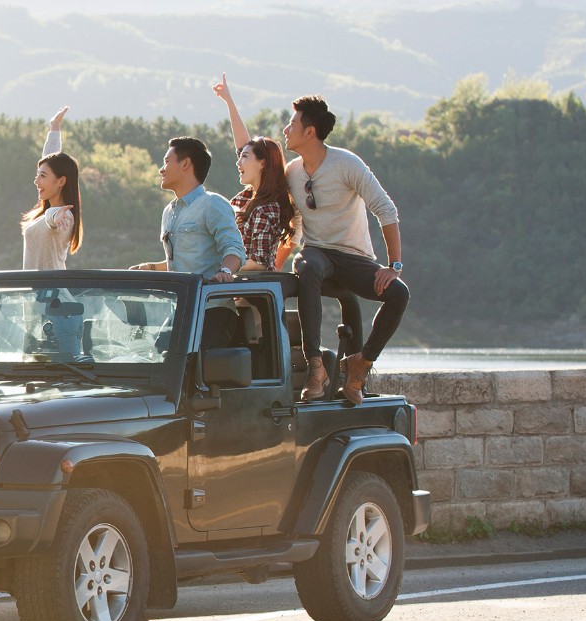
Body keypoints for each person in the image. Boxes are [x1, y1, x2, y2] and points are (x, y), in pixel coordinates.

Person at [282, 95, 409, 404]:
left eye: (292, 123)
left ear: (309, 132)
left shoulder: (346, 164)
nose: (286, 129)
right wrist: (274, 265)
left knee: (399, 294)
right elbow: (295, 227)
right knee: (307, 267)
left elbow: (386, 209)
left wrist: (393, 266)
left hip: (353, 257)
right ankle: (316, 367)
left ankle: (360, 364)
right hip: (317, 252)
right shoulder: (292, 172)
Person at [130, 136, 247, 349]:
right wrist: (150, 268)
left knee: (186, 368)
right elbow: (188, 260)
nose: (161, 169)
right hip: (180, 310)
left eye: (166, 162)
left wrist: (225, 272)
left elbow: (235, 249)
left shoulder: (212, 203)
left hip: (213, 311)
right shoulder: (169, 211)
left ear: (185, 164)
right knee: (156, 352)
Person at [212, 73, 297, 272]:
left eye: (245, 157)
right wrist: (229, 102)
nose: (238, 161)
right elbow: (243, 144)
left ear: (262, 164)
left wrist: (218, 270)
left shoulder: (266, 209)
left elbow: (259, 263)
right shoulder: (246, 198)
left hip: (250, 293)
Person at [22, 106, 81, 271]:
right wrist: (54, 128)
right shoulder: (47, 207)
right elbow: (50, 163)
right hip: (40, 295)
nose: (36, 181)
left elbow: (52, 219)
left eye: (42, 176)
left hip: (54, 296)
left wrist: (54, 217)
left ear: (61, 181)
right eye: (38, 175)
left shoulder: (64, 217)